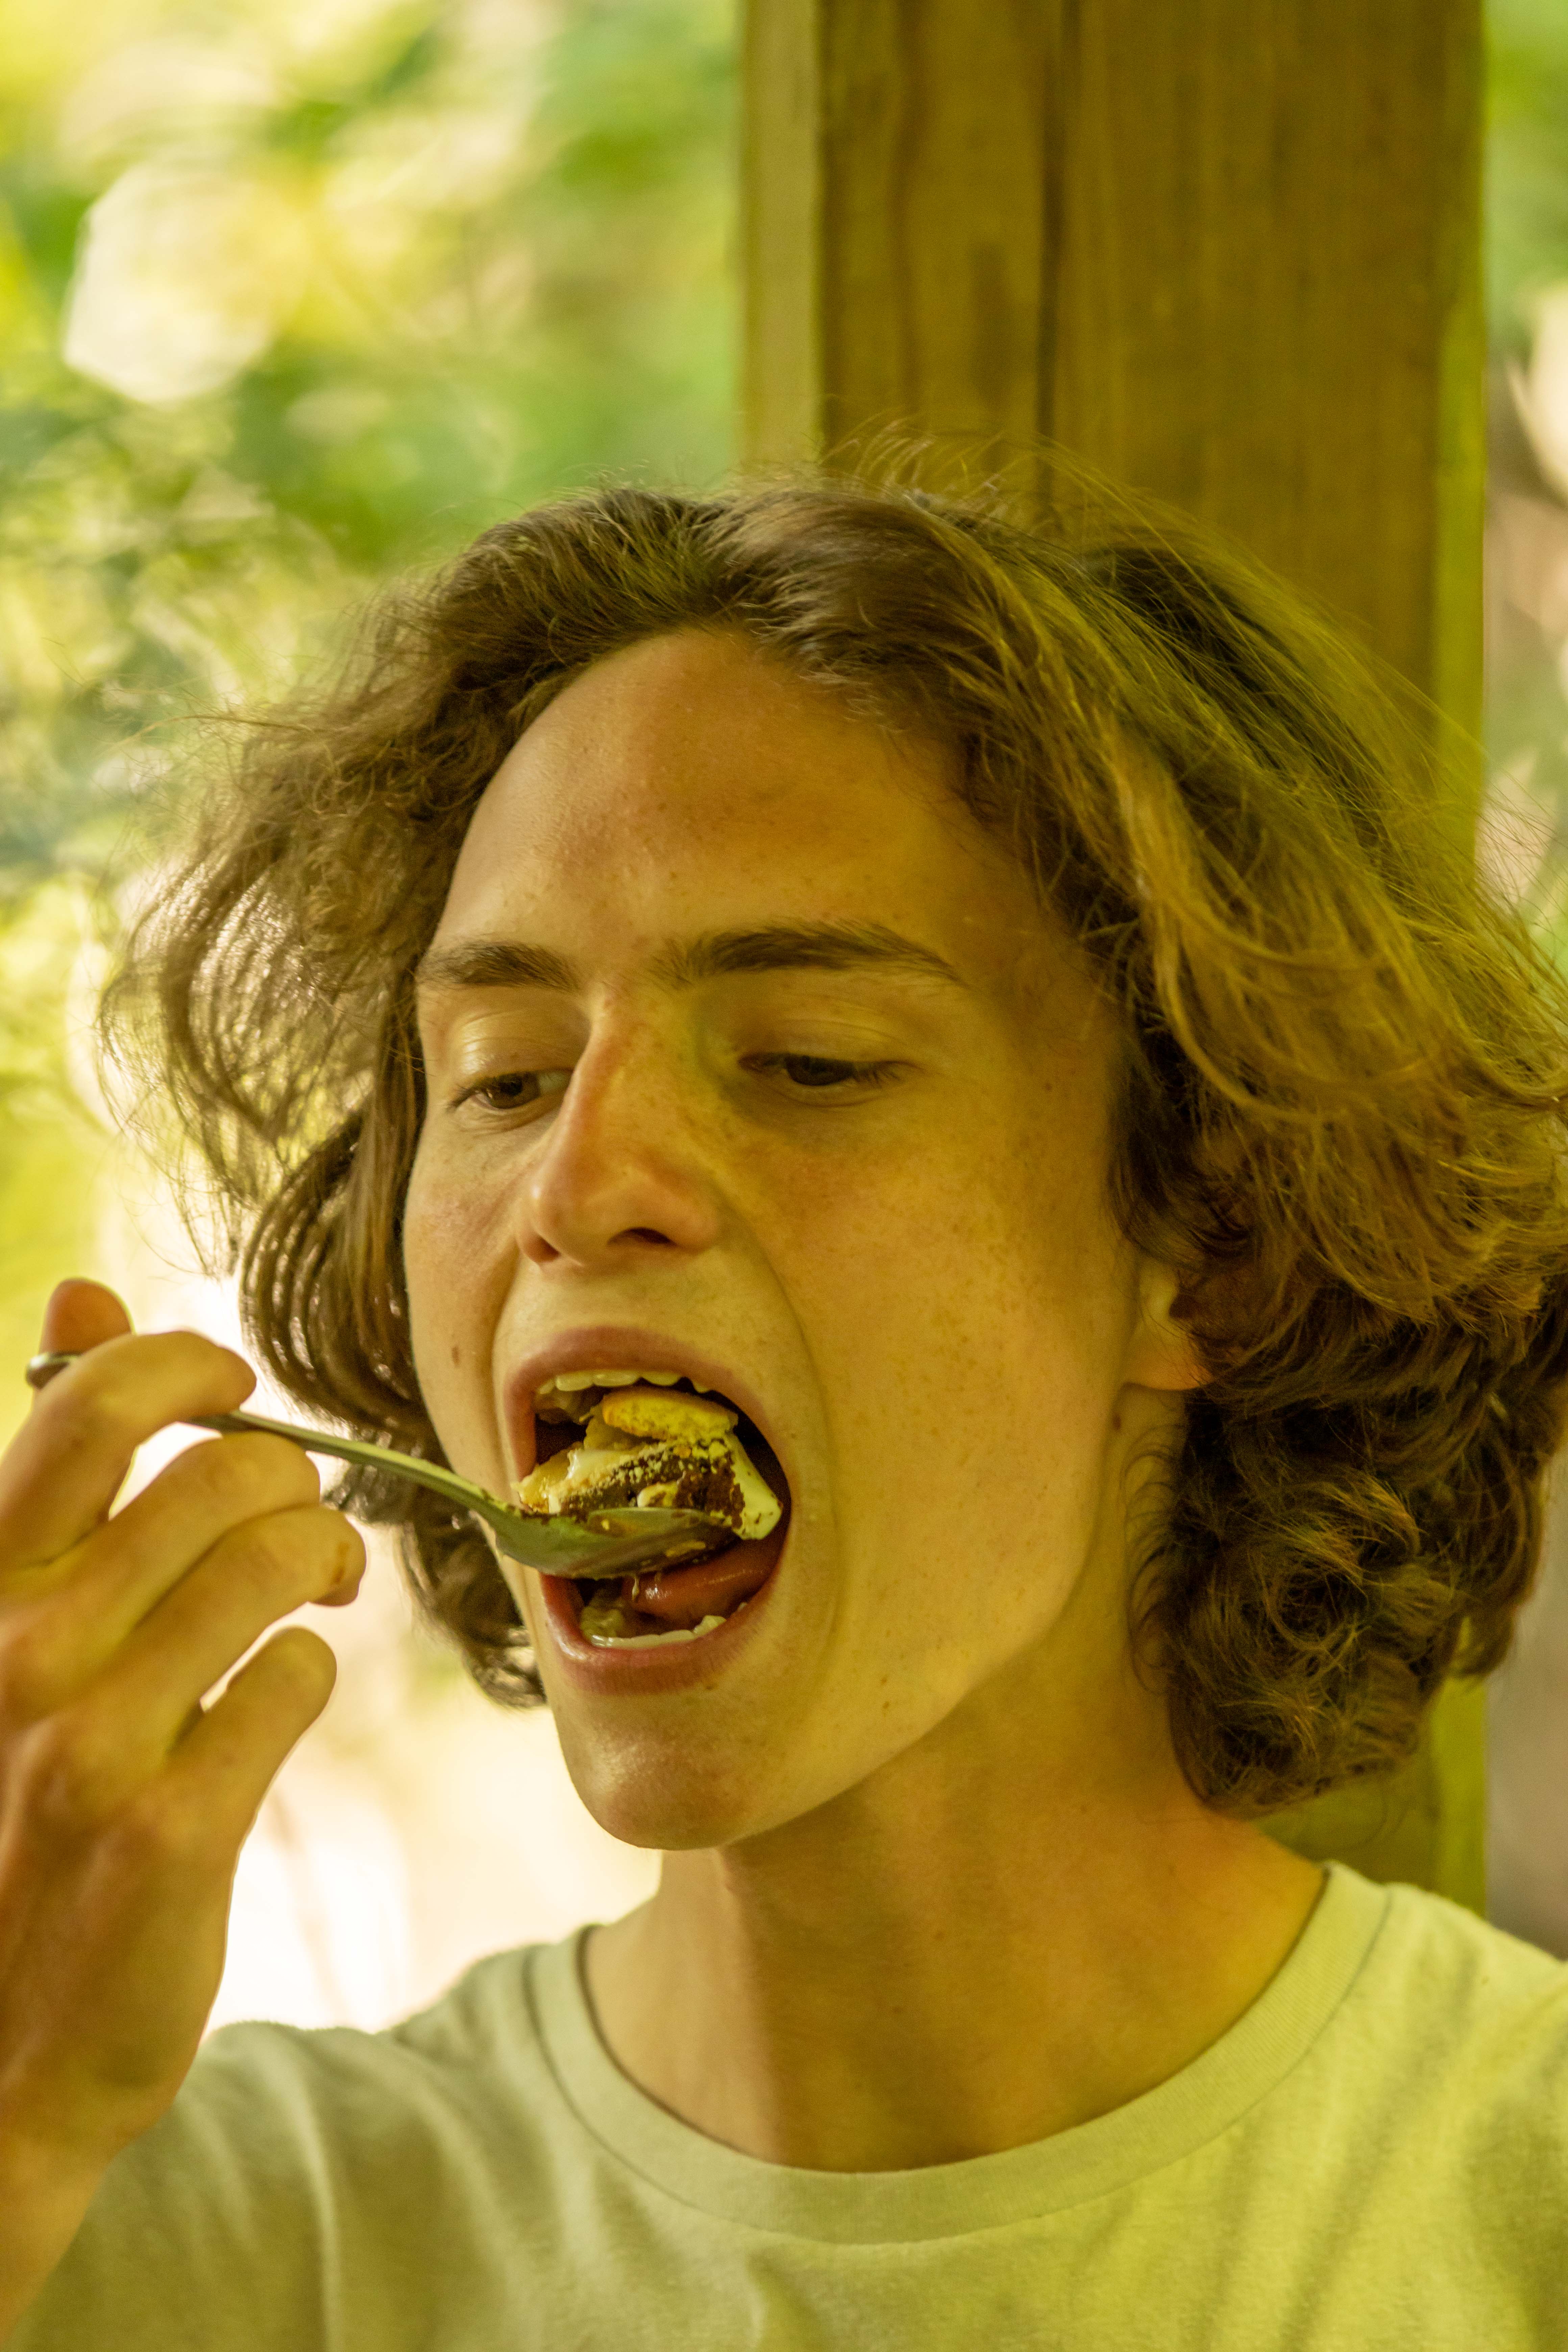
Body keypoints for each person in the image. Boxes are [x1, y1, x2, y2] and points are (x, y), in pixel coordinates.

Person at [4, 467, 1568, 2350]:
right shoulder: (141, 2237)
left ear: (1213, 1248)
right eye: (501, 1075)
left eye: (809, 1062)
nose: (580, 1182)